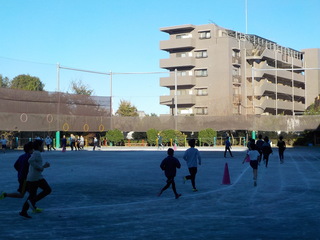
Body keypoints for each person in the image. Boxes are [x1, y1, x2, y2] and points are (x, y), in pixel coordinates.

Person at [20, 139, 52, 218]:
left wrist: (43, 167)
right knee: (47, 190)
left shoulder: (36, 153)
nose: (43, 147)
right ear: (38, 146)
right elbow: (30, 160)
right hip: (35, 177)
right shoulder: (37, 153)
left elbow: (34, 163)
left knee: (32, 195)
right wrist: (40, 167)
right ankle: (31, 203)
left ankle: (24, 211)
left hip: (35, 177)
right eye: (42, 145)